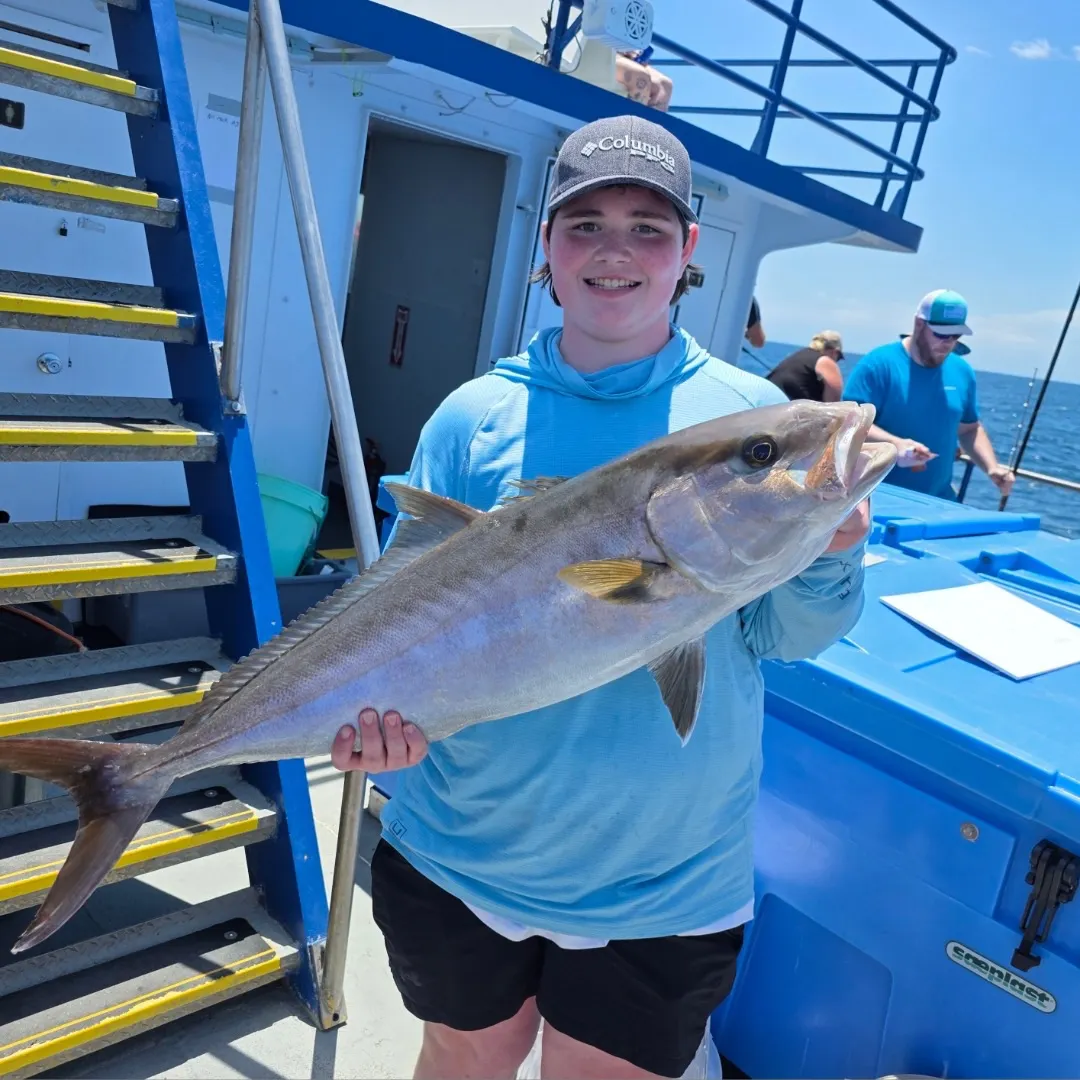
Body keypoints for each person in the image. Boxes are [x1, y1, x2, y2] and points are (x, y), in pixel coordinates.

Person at [330, 114, 871, 1080]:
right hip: (462, 845)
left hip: (661, 876)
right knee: (461, 1052)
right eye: (585, 223)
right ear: (546, 244)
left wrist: (830, 550)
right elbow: (398, 606)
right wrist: (377, 728)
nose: (614, 250)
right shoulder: (472, 414)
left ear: (687, 252)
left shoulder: (744, 411)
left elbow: (792, 636)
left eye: (647, 226)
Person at [843, 289, 1015, 500]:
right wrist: (896, 445)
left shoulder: (963, 371)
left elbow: (969, 429)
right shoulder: (877, 365)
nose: (949, 342)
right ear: (919, 324)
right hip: (874, 498)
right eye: (941, 334)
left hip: (937, 500)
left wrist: (991, 467)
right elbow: (849, 422)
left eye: (956, 335)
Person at [766, 330, 845, 402]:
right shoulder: (826, 362)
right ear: (834, 352)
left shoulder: (798, 355)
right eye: (839, 357)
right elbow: (833, 405)